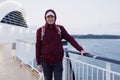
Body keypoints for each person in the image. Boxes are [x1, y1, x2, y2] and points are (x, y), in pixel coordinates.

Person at [36, 9, 86, 80]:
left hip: (58, 62)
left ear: (55, 17)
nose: (50, 18)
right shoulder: (40, 31)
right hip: (45, 62)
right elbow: (38, 47)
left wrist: (80, 49)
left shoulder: (60, 29)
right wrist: (38, 63)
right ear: (45, 18)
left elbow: (70, 39)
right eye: (48, 17)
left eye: (52, 16)